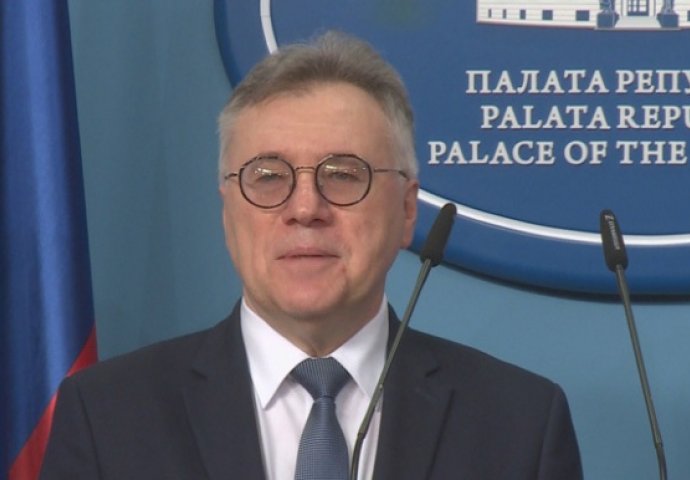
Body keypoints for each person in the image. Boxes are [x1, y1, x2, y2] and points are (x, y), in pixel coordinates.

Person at [40, 31, 582, 479]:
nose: (305, 208)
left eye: (343, 175)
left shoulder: (520, 424)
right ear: (228, 212)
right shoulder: (106, 418)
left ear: (406, 210)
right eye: (268, 177)